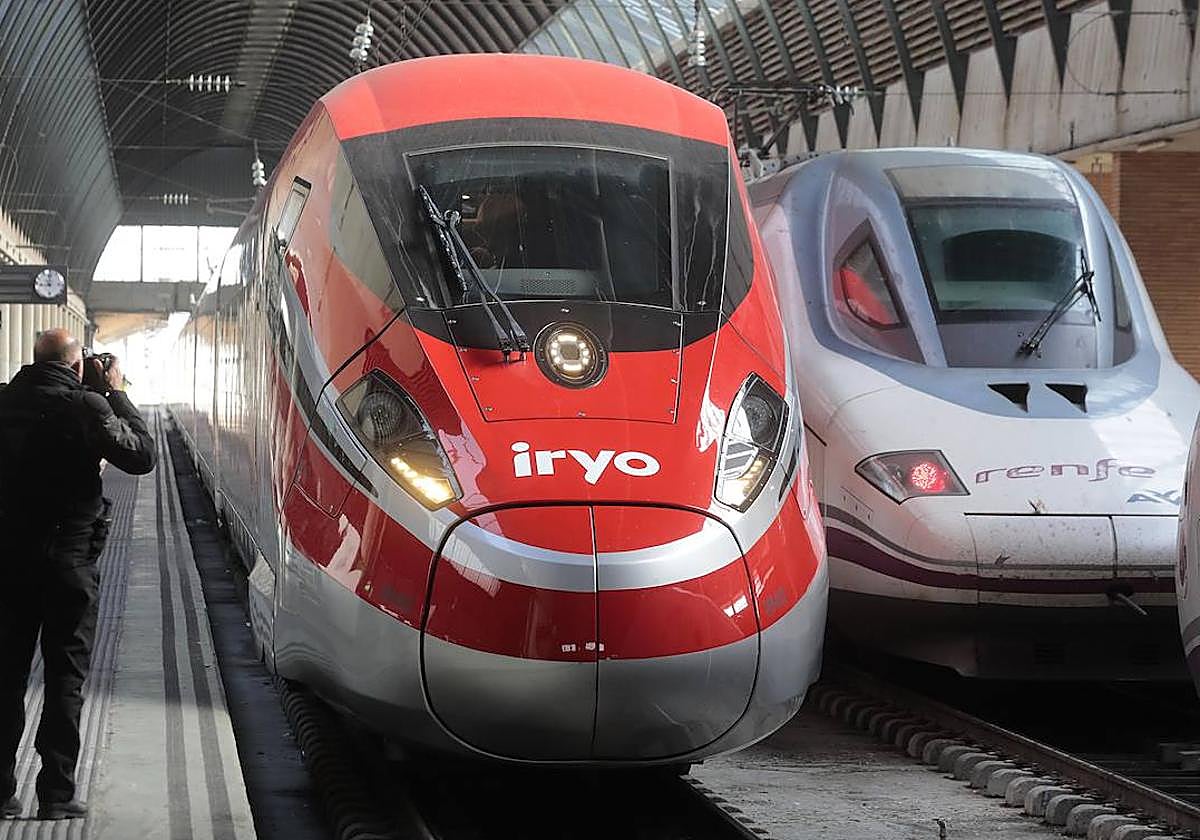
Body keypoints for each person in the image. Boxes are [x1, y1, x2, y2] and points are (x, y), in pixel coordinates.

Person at [0, 329, 155, 821]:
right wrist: (116, 392)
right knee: (66, 677)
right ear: (75, 365)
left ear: (34, 360)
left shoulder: (3, 401)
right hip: (69, 564)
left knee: (6, 676)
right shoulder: (88, 407)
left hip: (9, 562)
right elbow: (142, 455)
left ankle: (1, 792)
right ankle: (56, 794)